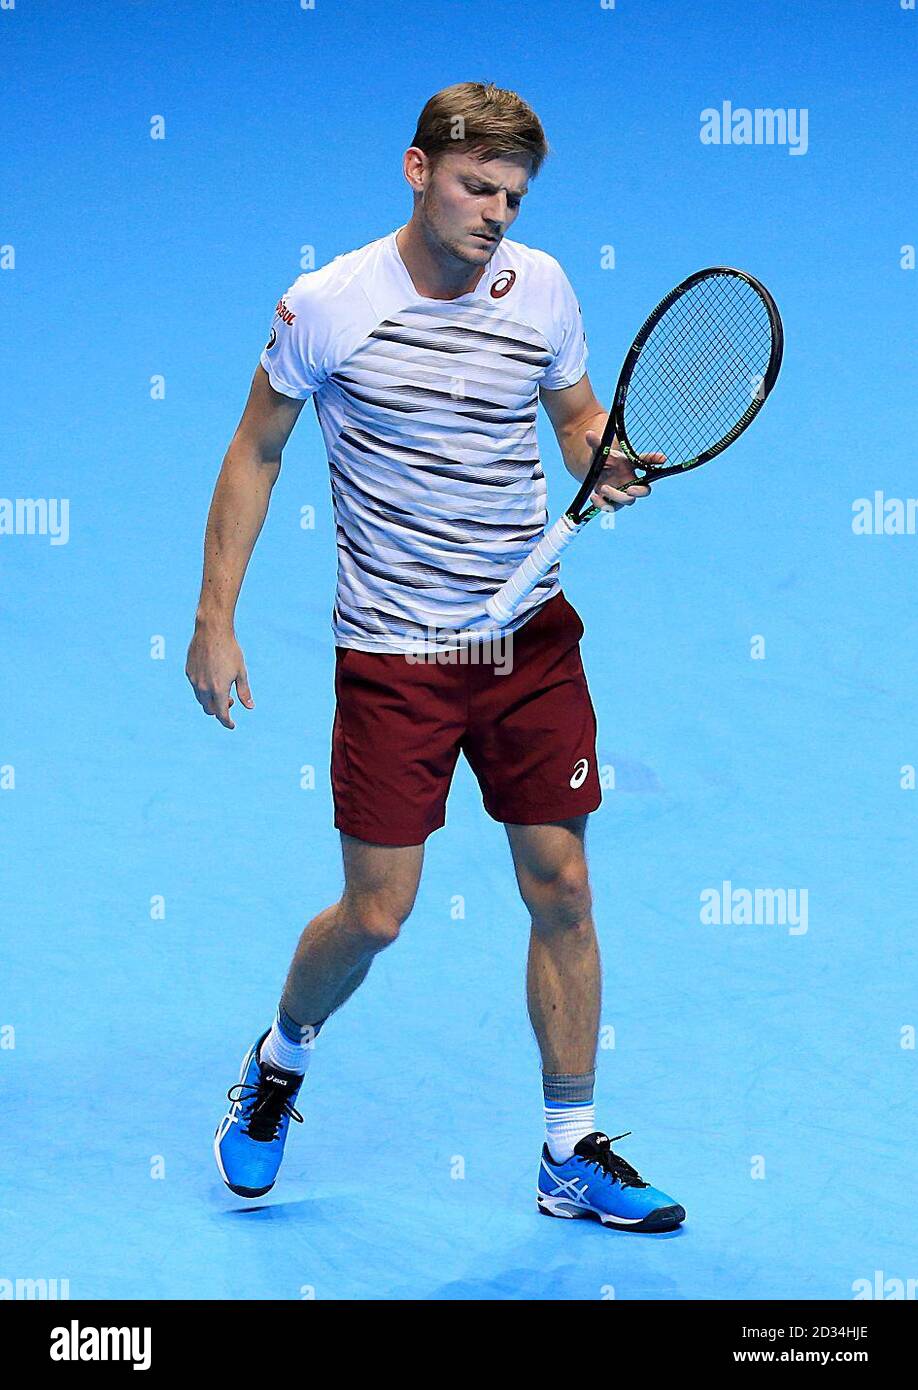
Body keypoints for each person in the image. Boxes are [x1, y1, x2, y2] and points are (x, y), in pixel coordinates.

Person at [187, 82, 684, 1232]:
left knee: (561, 882)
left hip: (529, 642)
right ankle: (279, 1062)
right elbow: (256, 450)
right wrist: (215, 618)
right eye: (476, 186)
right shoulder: (328, 305)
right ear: (418, 171)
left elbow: (573, 418)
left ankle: (570, 1148)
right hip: (396, 655)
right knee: (377, 913)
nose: (496, 212)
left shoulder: (542, 287)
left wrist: (599, 459)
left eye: (513, 194)